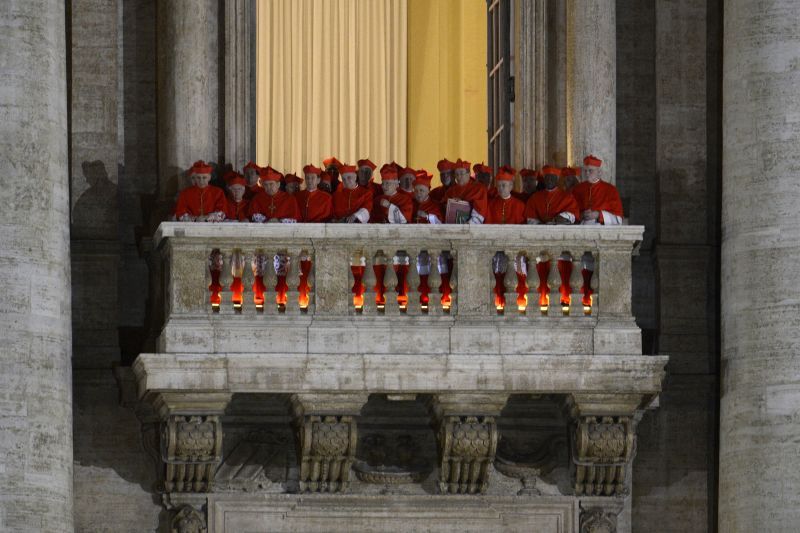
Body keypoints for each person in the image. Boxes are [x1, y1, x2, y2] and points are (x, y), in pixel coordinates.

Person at [571, 154, 623, 225]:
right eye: (585, 171)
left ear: (599, 172)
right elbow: (572, 211)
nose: (587, 173)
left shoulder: (610, 190)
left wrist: (598, 215)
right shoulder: (578, 189)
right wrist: (581, 215)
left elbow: (618, 219)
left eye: (590, 170)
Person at [443, 158, 488, 224]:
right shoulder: (450, 191)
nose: (459, 177)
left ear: (469, 173)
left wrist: (468, 225)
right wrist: (452, 203)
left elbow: (480, 211)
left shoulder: (479, 188)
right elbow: (444, 209)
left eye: (461, 173)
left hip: (471, 227)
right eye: (456, 174)